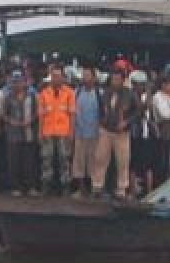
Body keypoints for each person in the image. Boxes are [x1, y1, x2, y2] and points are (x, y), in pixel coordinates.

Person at [95, 65, 136, 198]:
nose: (115, 82)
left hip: (122, 132)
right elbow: (100, 109)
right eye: (113, 79)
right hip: (106, 130)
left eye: (118, 79)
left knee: (122, 161)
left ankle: (121, 188)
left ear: (123, 80)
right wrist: (101, 121)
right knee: (101, 158)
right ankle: (97, 186)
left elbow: (137, 112)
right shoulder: (105, 93)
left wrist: (126, 122)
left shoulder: (129, 94)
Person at [37, 64, 75, 195]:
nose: (56, 79)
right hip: (47, 132)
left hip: (64, 132)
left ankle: (65, 186)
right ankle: (46, 185)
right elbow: (41, 115)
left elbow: (72, 114)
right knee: (46, 159)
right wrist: (40, 132)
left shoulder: (69, 93)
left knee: (64, 160)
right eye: (53, 76)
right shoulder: (44, 93)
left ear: (63, 78)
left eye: (58, 76)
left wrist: (71, 132)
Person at [2, 70, 38, 195]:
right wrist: (12, 122)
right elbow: (3, 115)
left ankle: (30, 187)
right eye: (15, 82)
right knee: (14, 162)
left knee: (29, 162)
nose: (17, 84)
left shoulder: (32, 96)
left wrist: (31, 120)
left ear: (24, 82)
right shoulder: (8, 97)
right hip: (13, 134)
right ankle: (15, 187)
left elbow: (37, 113)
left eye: (20, 82)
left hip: (28, 133)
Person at [71, 66, 102, 197]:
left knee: (94, 163)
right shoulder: (76, 92)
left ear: (94, 78)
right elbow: (72, 113)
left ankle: (94, 190)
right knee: (79, 163)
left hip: (95, 135)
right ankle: (81, 189)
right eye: (83, 75)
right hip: (79, 133)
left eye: (88, 75)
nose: (85, 78)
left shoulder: (100, 94)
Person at [151, 76, 170, 186]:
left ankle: (166, 181)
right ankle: (159, 183)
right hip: (161, 128)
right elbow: (164, 114)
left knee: (169, 158)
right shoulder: (157, 97)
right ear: (162, 85)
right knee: (161, 158)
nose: (169, 86)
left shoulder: (169, 97)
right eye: (166, 84)